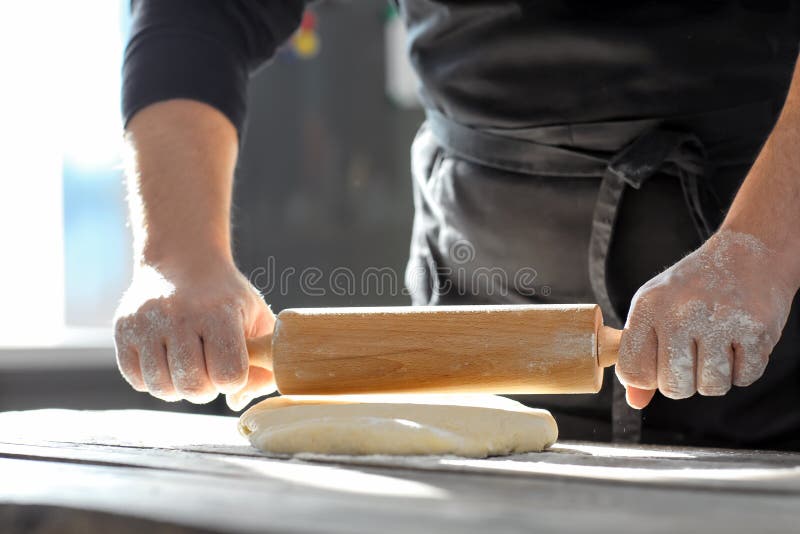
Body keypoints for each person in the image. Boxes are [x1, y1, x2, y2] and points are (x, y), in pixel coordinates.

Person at [114, 0, 800, 449]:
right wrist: (176, 254)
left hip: (759, 274)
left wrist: (762, 245)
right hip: (467, 283)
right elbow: (198, 15)